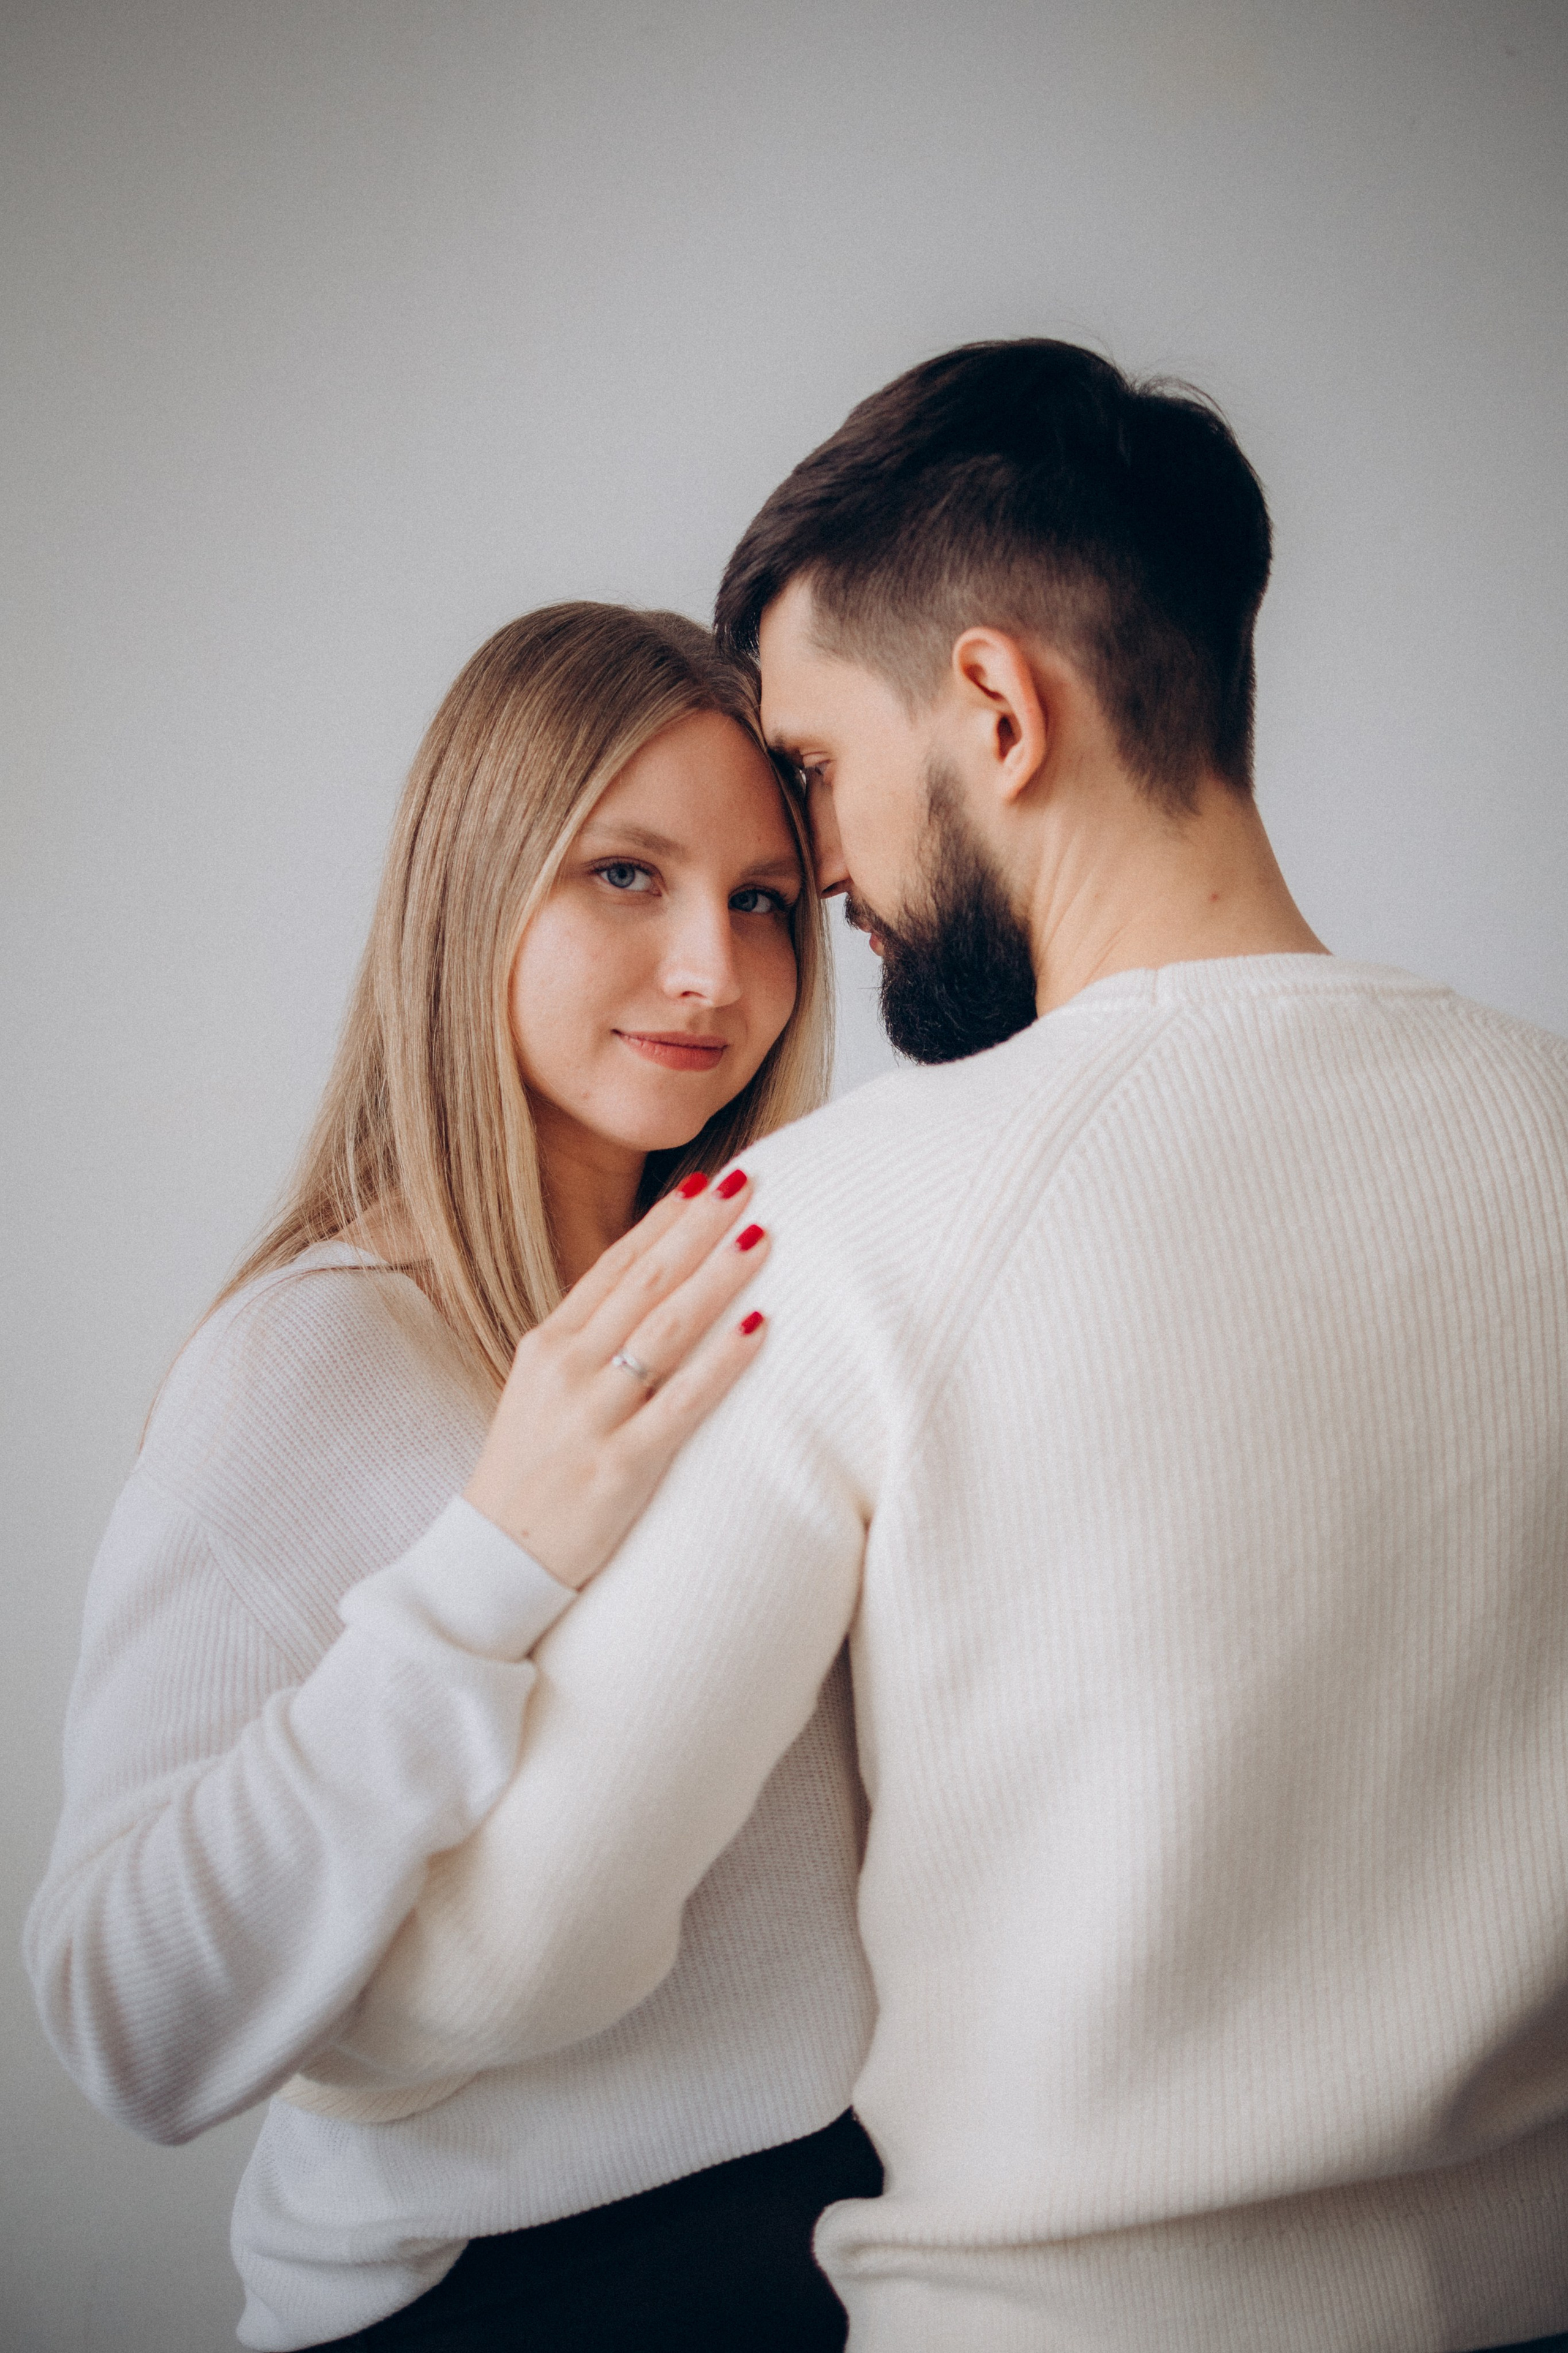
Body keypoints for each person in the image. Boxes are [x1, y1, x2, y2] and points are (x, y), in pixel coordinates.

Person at [296, 344, 1568, 2353]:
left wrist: (307, 2052)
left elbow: (516, 1953)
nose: (814, 876)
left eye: (807, 773)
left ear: (994, 704)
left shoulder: (847, 1223)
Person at [24, 603, 880, 2353]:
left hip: (832, 2243)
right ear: (476, 890)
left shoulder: (770, 1303)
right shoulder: (308, 1355)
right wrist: (492, 1559)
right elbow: (129, 2023)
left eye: (763, 901)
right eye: (627, 876)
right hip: (489, 2296)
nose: (715, 970)